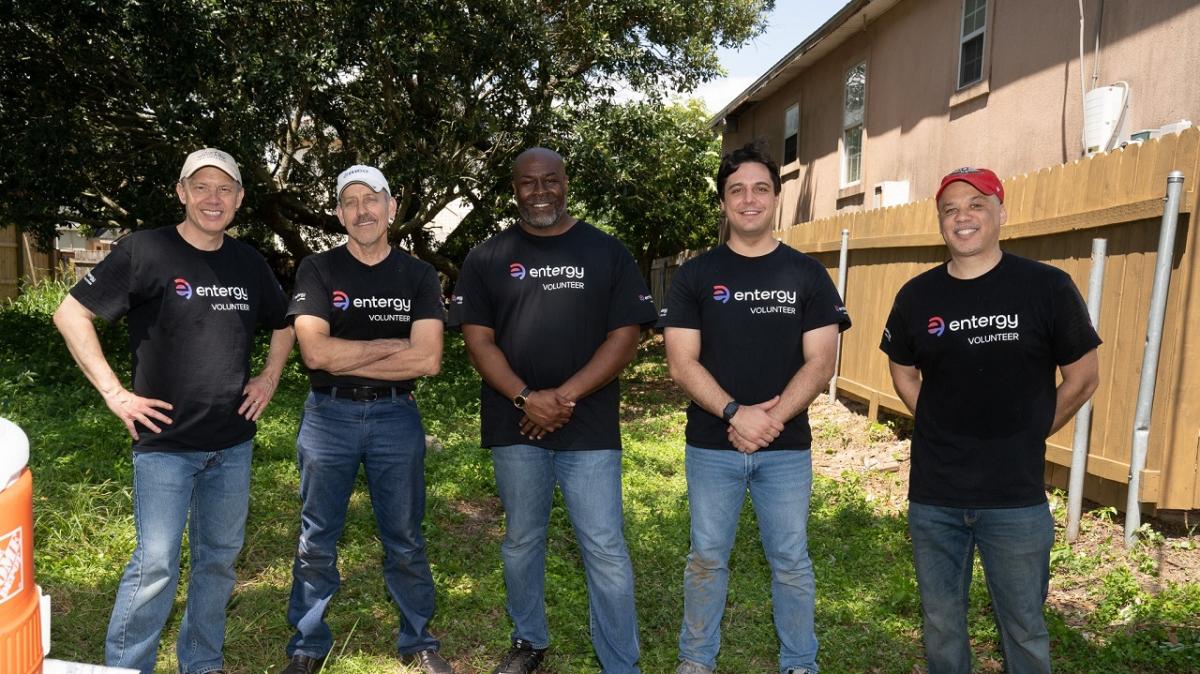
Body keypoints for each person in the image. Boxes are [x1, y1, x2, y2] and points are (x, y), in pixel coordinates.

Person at [53, 147, 294, 674]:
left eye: (225, 188)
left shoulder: (248, 261)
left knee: (218, 561)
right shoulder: (145, 251)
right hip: (164, 445)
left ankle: (202, 663)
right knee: (156, 565)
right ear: (182, 192)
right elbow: (70, 314)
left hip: (232, 443)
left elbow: (285, 320)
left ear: (239, 199)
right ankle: (125, 667)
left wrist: (269, 376)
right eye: (201, 186)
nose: (214, 198)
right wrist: (116, 394)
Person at [880, 167, 1101, 674]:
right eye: (950, 208)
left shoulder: (1046, 287)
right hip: (935, 495)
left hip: (1015, 498)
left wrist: (1030, 432)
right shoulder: (917, 296)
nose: (963, 216)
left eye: (976, 204)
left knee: (1024, 627)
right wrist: (936, 423)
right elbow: (902, 369)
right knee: (940, 624)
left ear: (1002, 212)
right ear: (940, 222)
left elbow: (1083, 377)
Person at [448, 147, 656, 674]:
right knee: (522, 539)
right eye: (527, 182)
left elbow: (624, 336)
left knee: (605, 548)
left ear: (566, 183)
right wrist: (525, 397)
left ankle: (620, 663)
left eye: (550, 181)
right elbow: (478, 342)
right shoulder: (487, 257)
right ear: (513, 188)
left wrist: (563, 398)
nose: (540, 191)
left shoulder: (607, 252)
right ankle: (528, 644)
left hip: (587, 425)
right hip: (514, 423)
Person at [659, 142, 850, 674]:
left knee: (791, 560)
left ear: (776, 197)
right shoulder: (695, 276)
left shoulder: (807, 274)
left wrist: (769, 420)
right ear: (723, 201)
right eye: (737, 190)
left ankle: (800, 664)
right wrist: (734, 414)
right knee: (706, 558)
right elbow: (681, 362)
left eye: (760, 188)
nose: (749, 199)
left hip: (786, 449)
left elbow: (820, 361)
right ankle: (696, 661)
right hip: (711, 446)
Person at [277, 165, 451, 674]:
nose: (362, 210)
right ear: (338, 213)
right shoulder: (318, 269)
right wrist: (394, 344)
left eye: (372, 198)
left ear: (391, 207)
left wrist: (345, 351)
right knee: (317, 535)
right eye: (350, 201)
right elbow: (313, 353)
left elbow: (428, 360)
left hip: (397, 416)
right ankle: (308, 646)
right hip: (328, 415)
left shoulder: (418, 275)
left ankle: (418, 640)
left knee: (405, 535)